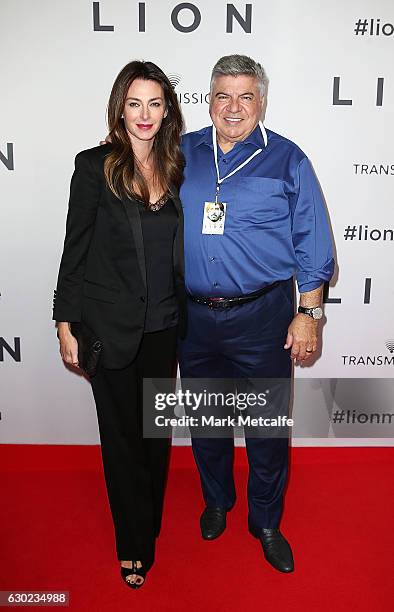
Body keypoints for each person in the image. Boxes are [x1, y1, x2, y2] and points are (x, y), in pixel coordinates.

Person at [178, 55, 335, 573]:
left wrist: (308, 312)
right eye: (223, 95)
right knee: (207, 419)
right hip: (193, 317)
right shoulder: (181, 153)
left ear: (261, 101)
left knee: (266, 426)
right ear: (208, 99)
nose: (234, 106)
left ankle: (265, 520)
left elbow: (312, 238)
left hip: (263, 315)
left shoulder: (288, 159)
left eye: (246, 95)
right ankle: (217, 501)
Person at [53, 60, 186, 588]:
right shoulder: (94, 167)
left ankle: (146, 520)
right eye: (135, 103)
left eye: (155, 103)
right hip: (108, 329)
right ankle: (132, 544)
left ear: (167, 110)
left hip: (163, 329)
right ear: (119, 109)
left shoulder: (178, 168)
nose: (145, 114)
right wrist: (66, 323)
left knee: (156, 436)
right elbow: (75, 251)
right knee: (122, 440)